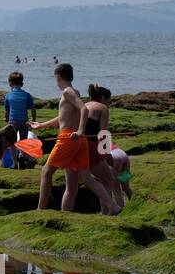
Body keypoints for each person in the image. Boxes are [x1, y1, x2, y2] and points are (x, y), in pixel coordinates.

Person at [29, 64, 118, 213]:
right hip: (79, 141)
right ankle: (113, 206)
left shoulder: (68, 92)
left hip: (68, 138)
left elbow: (84, 109)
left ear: (58, 78)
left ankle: (40, 210)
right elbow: (63, 117)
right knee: (86, 177)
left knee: (46, 172)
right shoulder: (74, 92)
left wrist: (80, 130)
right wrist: (41, 126)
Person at [4, 72, 36, 140]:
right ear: (22, 84)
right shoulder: (27, 95)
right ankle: (22, 150)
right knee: (23, 142)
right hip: (24, 122)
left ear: (10, 84)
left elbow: (7, 111)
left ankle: (14, 151)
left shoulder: (8, 95)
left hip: (12, 122)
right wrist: (33, 120)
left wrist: (7, 120)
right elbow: (33, 109)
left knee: (12, 142)